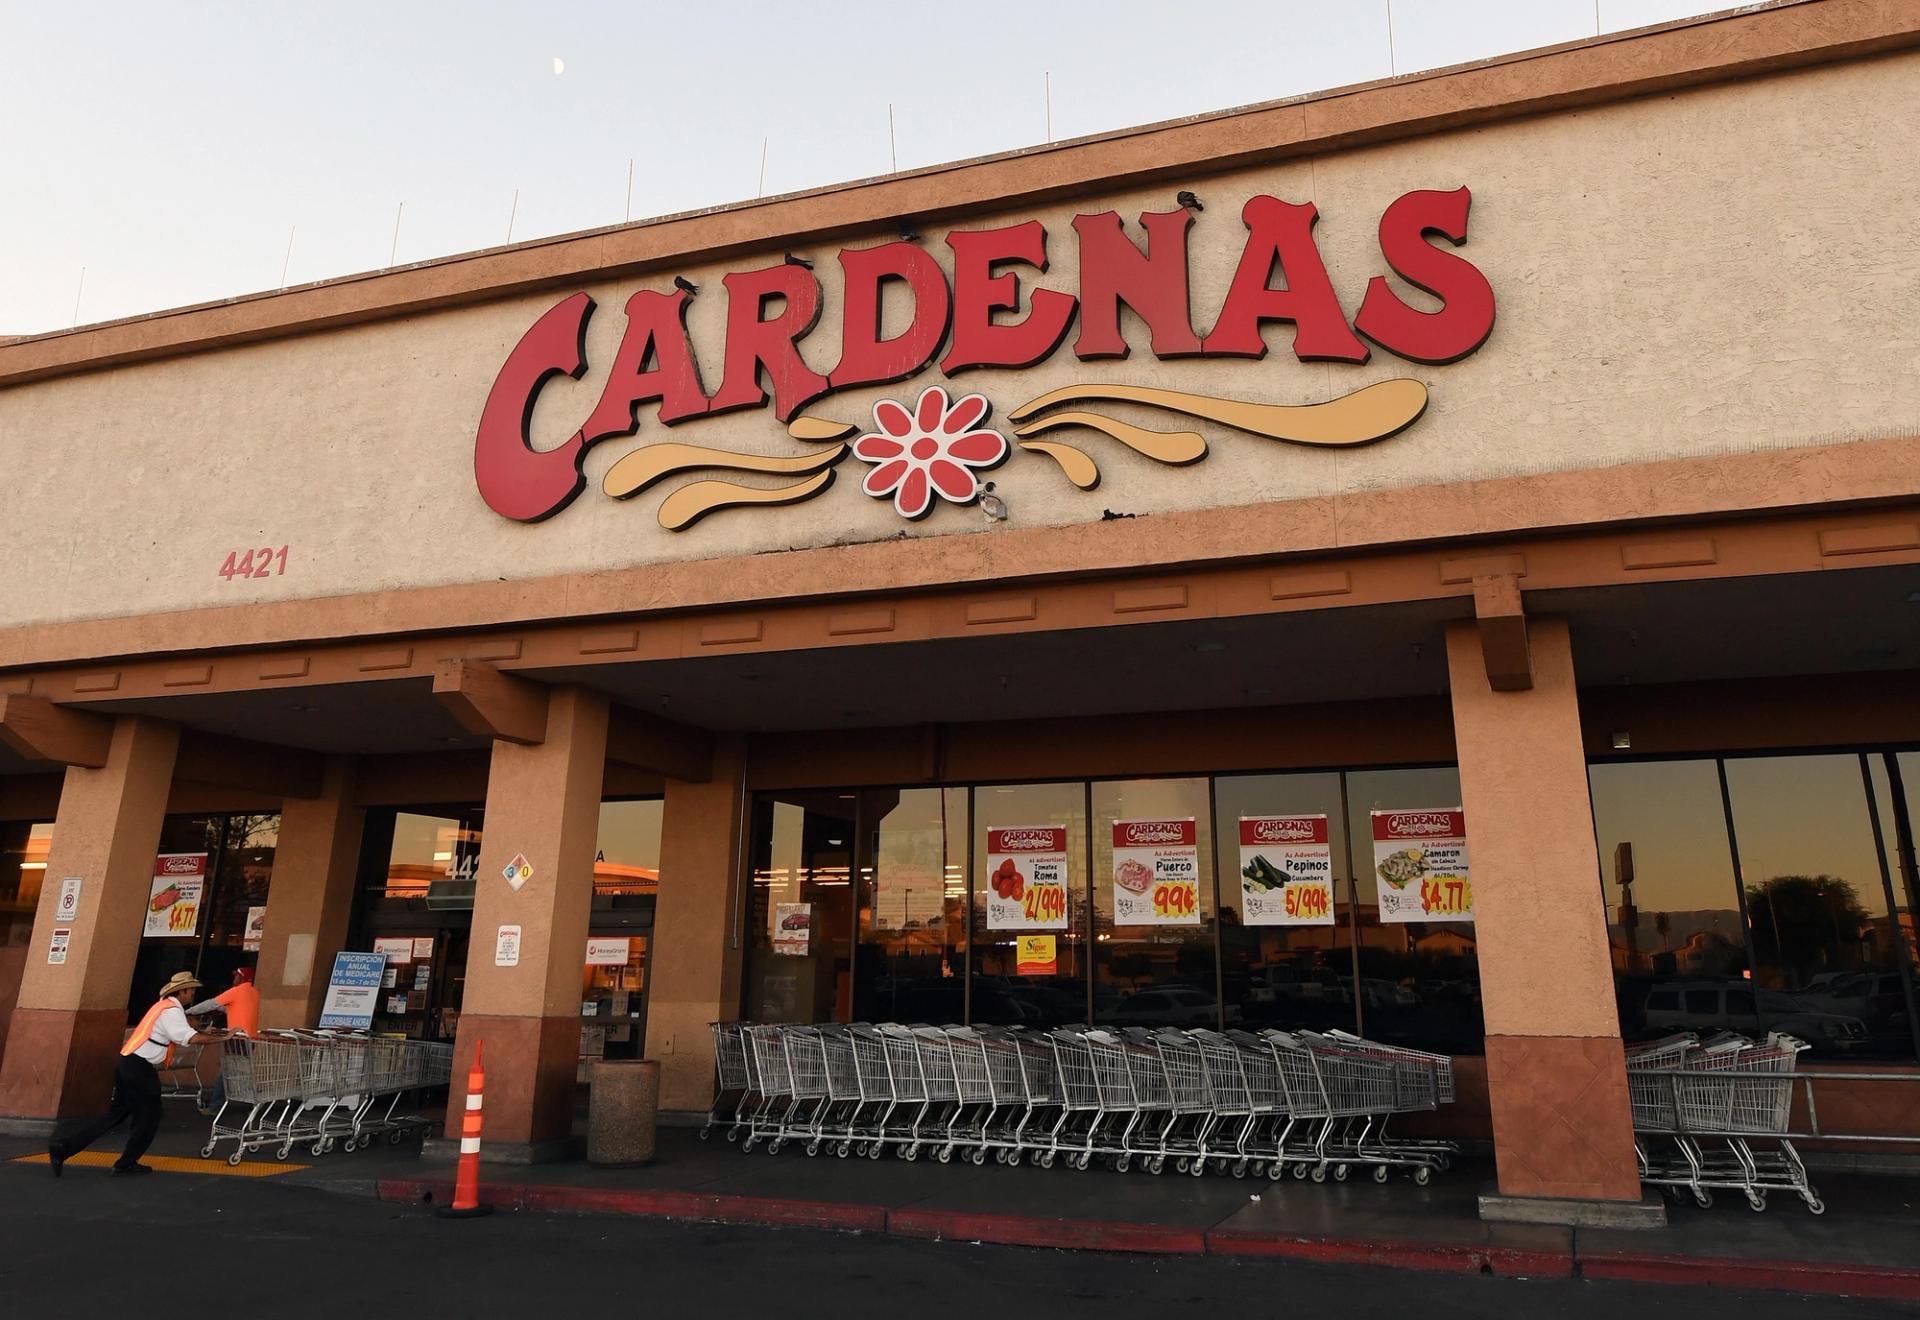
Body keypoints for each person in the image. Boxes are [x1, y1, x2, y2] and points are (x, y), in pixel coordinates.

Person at [48, 971, 226, 1177]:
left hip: (129, 1063)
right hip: (139, 1068)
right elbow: (188, 1037)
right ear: (182, 991)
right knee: (150, 1116)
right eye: (191, 990)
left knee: (115, 1116)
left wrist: (203, 1031)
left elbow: (182, 1030)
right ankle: (126, 1163)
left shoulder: (164, 1006)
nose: (193, 993)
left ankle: (64, 1148)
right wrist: (223, 1037)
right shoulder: (171, 1012)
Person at [188, 967, 259, 1114]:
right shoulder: (254, 993)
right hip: (249, 1039)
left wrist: (189, 1011)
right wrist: (222, 1008)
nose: (234, 979)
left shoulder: (236, 991)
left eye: (236, 977)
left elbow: (210, 1003)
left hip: (237, 1039)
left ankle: (215, 1106)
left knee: (226, 1072)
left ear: (241, 978)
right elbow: (236, 1009)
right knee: (239, 1071)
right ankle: (256, 1099)